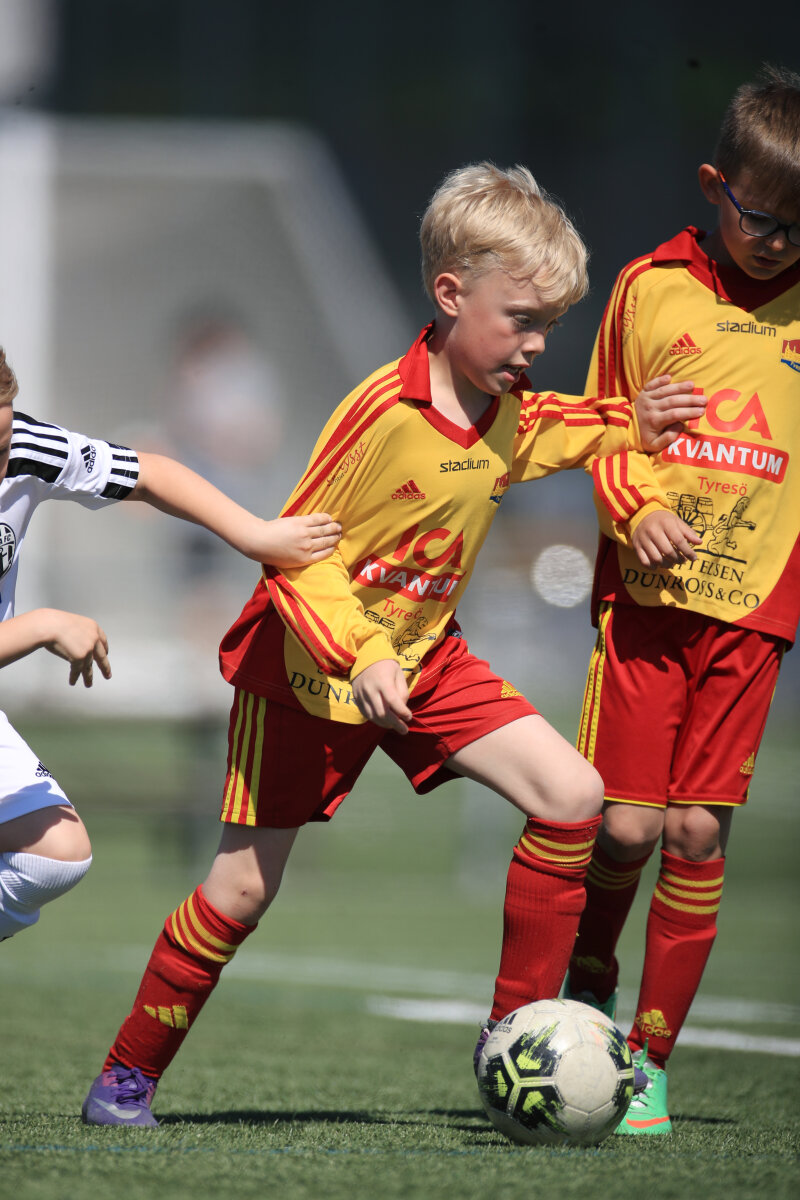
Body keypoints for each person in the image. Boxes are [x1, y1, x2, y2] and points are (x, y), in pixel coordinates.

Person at [81, 162, 702, 1128]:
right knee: (241, 890)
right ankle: (125, 1078)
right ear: (451, 295)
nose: (537, 345)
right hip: (306, 670)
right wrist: (362, 653)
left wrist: (637, 422)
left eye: (549, 326)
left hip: (426, 659)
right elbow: (294, 557)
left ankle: (513, 1045)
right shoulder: (381, 412)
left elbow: (567, 431)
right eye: (522, 320)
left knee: (572, 796)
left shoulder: (509, 408)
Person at [564, 64, 800, 1134]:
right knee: (623, 829)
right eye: (760, 218)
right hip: (647, 602)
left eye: (799, 227)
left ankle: (647, 1064)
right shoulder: (647, 285)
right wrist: (636, 504)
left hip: (753, 612)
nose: (777, 243)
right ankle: (589, 977)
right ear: (714, 186)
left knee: (696, 833)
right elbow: (598, 425)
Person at [0, 347, 341, 944]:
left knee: (55, 853)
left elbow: (149, 473)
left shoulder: (29, 448)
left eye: (3, 441)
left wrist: (256, 536)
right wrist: (42, 625)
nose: (3, 458)